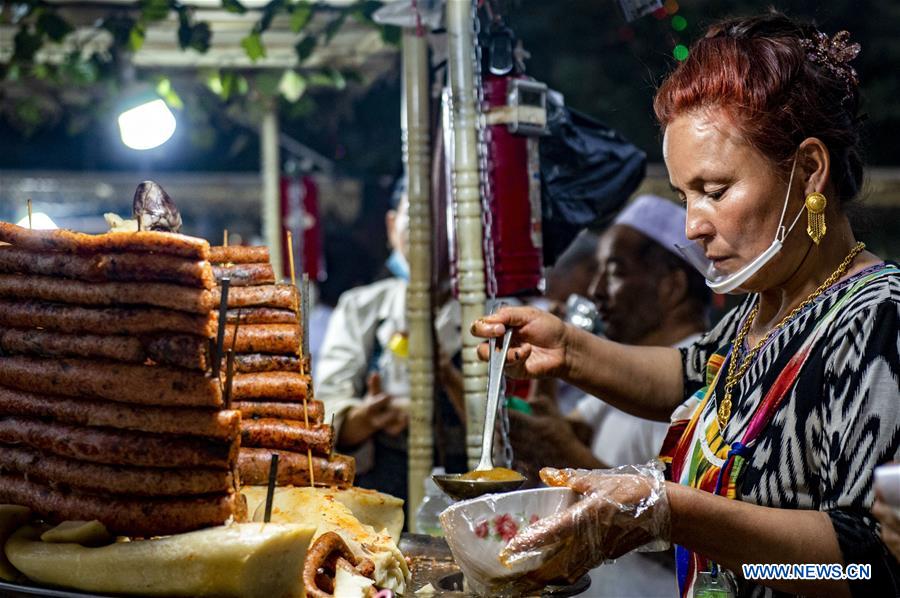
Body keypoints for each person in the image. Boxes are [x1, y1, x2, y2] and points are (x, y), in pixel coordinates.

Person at [472, 13, 900, 597]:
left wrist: (672, 512)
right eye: (684, 196)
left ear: (808, 171)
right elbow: (686, 374)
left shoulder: (878, 320)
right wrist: (567, 350)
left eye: (715, 191)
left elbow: (868, 569)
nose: (693, 225)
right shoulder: (765, 308)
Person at [315, 183, 465, 502]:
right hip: (379, 492)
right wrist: (366, 417)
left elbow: (507, 427)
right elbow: (326, 412)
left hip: (466, 489)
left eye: (440, 219)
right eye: (416, 216)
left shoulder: (482, 315)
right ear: (392, 225)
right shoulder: (360, 307)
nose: (427, 232)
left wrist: (449, 378)